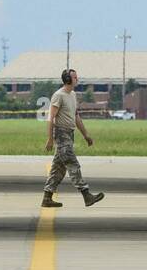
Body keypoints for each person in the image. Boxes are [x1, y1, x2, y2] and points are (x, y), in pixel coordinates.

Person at [41, 69, 105, 208]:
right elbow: (51, 118)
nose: (77, 79)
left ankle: (47, 198)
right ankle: (86, 194)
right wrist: (50, 139)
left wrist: (86, 134)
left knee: (58, 168)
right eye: (75, 77)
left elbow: (76, 116)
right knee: (72, 164)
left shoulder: (73, 95)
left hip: (70, 134)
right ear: (68, 80)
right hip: (61, 134)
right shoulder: (59, 96)